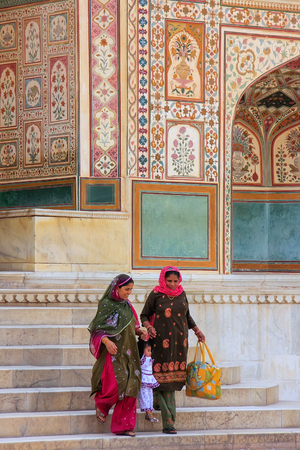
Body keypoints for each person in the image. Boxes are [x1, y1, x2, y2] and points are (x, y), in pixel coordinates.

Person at [140, 266, 205, 434]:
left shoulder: (182, 293)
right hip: (160, 344)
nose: (172, 285)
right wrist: (149, 327)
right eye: (169, 281)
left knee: (171, 381)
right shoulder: (155, 294)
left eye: (175, 281)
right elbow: (144, 315)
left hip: (179, 345)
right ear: (163, 279)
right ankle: (169, 422)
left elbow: (187, 316)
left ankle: (156, 401)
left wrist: (197, 330)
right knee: (163, 381)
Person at [88, 274, 147, 437]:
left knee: (131, 387)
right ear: (117, 288)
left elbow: (133, 326)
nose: (129, 293)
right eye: (126, 289)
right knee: (115, 385)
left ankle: (124, 426)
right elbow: (97, 329)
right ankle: (102, 404)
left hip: (130, 352)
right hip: (113, 353)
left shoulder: (127, 306)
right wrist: (106, 342)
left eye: (131, 290)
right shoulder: (106, 304)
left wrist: (139, 331)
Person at [137, 340, 159, 423]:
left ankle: (150, 413)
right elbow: (141, 345)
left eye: (150, 351)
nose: (150, 352)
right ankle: (148, 413)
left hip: (150, 380)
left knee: (150, 397)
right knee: (144, 396)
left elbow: (153, 343)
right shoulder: (142, 357)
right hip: (143, 380)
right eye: (148, 351)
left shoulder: (150, 358)